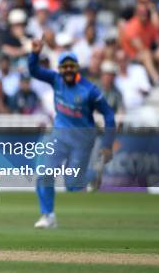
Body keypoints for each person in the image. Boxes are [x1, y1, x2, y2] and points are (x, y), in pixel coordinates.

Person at [29, 39, 115, 229]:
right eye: (64, 67)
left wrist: (107, 144)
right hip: (59, 136)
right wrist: (34, 54)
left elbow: (109, 114)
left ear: (77, 68)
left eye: (71, 66)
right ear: (59, 69)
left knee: (73, 185)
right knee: (44, 175)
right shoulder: (55, 79)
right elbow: (34, 71)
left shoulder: (90, 90)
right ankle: (48, 216)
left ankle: (92, 175)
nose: (68, 70)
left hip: (83, 140)